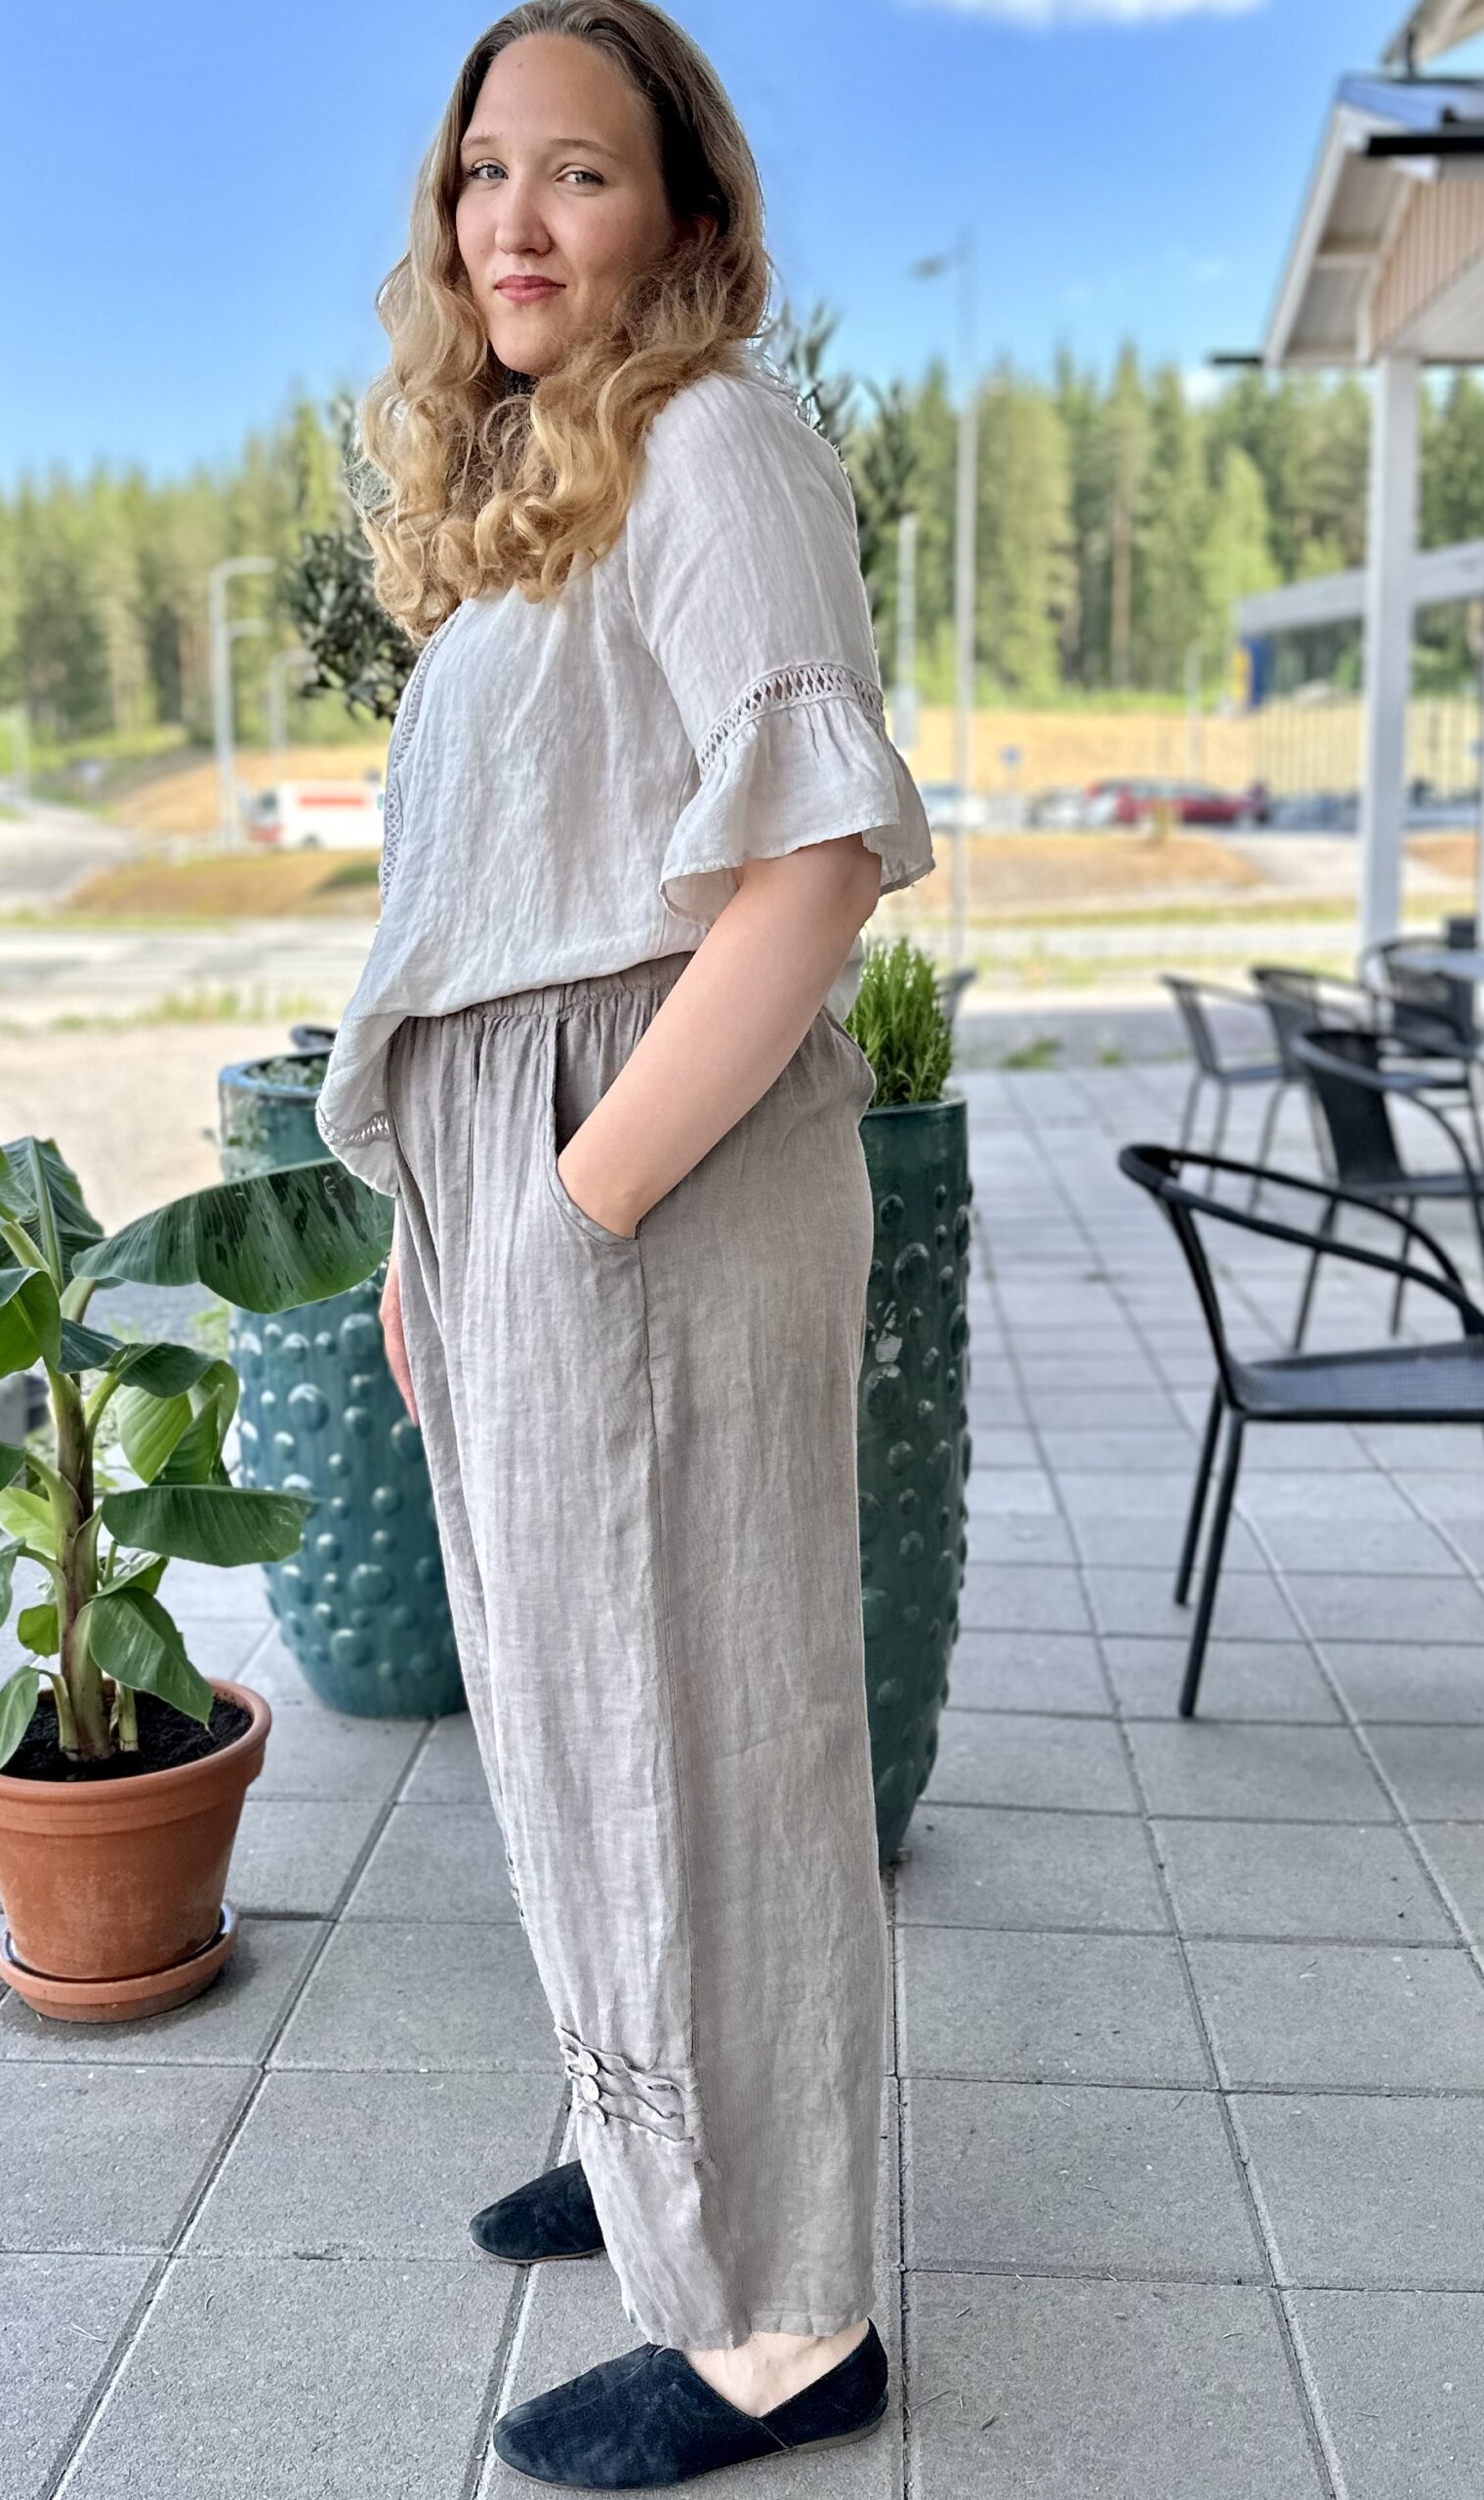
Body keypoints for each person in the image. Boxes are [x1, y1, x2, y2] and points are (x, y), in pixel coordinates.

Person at [312, 4, 933, 2486]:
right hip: (527, 1181)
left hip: (647, 1168)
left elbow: (809, 870)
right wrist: (436, 1228)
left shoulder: (715, 444)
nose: (514, 218)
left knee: (703, 1721)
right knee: (571, 1700)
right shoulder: (535, 492)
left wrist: (576, 1197)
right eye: (484, 170)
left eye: (576, 171)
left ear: (681, 211)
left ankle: (783, 2310)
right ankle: (648, 2132)